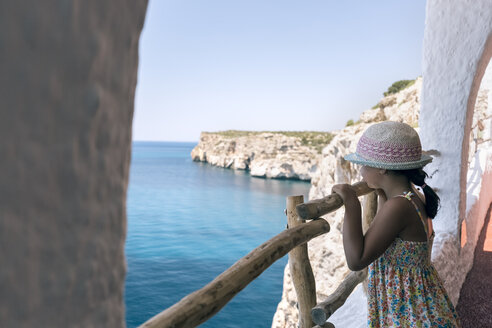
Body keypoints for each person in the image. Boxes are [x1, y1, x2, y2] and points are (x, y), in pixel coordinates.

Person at [331, 121, 461, 327]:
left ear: (382, 168)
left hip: (409, 315)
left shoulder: (399, 206)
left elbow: (356, 260)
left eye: (364, 164)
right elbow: (386, 229)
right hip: (420, 307)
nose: (361, 172)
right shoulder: (413, 197)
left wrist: (352, 203)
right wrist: (381, 192)